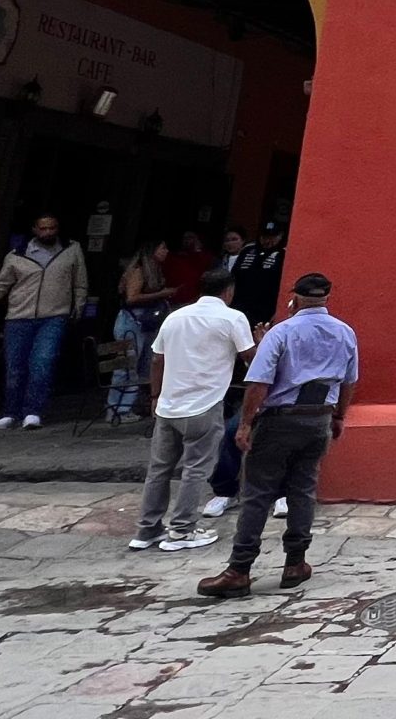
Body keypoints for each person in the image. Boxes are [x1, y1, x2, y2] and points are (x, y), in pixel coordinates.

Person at [198, 271, 358, 598]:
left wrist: (244, 423)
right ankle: (296, 562)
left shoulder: (281, 332)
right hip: (318, 420)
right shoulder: (345, 332)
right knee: (303, 489)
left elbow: (258, 383)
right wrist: (339, 416)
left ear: (294, 297)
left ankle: (240, 568)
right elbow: (349, 381)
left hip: (280, 419)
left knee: (257, 491)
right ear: (326, 298)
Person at [129, 266, 255, 554]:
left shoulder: (175, 317)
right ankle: (182, 530)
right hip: (204, 404)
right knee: (196, 470)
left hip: (169, 405)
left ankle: (147, 529)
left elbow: (157, 360)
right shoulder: (233, 318)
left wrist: (155, 395)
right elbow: (252, 358)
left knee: (159, 470)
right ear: (229, 291)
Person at [0, 215, 88, 431]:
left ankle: (33, 411)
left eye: (52, 228)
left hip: (54, 315)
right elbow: (1, 285)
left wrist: (79, 307)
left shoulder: (71, 249)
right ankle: (10, 412)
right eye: (43, 229)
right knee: (15, 366)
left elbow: (80, 282)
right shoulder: (17, 255)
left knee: (42, 362)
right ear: (35, 229)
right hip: (19, 316)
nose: (48, 232)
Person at [108, 237, 174, 421]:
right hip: (131, 321)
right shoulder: (138, 270)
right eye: (163, 247)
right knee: (127, 366)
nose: (166, 251)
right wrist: (163, 293)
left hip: (147, 323)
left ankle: (134, 405)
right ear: (153, 250)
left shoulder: (155, 270)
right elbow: (131, 297)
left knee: (145, 364)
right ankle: (118, 410)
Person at [229, 221, 287, 326]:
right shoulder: (248, 251)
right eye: (265, 236)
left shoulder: (282, 255)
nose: (268, 240)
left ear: (280, 236)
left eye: (272, 237)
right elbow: (233, 276)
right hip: (239, 305)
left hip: (264, 309)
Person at [163, 229, 211, 306]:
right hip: (170, 300)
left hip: (194, 301)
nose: (187, 240)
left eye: (190, 237)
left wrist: (197, 251)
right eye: (185, 238)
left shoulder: (206, 257)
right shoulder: (173, 257)